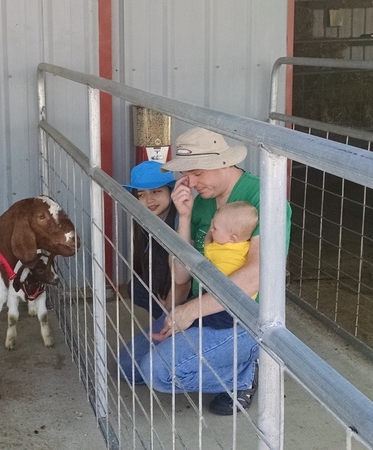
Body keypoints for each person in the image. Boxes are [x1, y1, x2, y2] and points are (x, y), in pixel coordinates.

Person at [118, 127, 291, 416]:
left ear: (223, 162)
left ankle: (245, 373)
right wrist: (184, 218)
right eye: (187, 175)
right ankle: (224, 360)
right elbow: (182, 276)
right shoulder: (198, 202)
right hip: (202, 309)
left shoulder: (264, 198)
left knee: (157, 373)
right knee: (129, 367)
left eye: (197, 173)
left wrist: (192, 311)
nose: (191, 182)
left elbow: (256, 274)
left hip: (244, 319)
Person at [122, 160, 177, 319]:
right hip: (163, 282)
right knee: (136, 289)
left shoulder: (180, 221)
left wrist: (168, 297)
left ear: (170, 191)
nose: (149, 200)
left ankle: (167, 322)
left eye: (156, 192)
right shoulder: (145, 222)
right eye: (141, 195)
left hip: (183, 287)